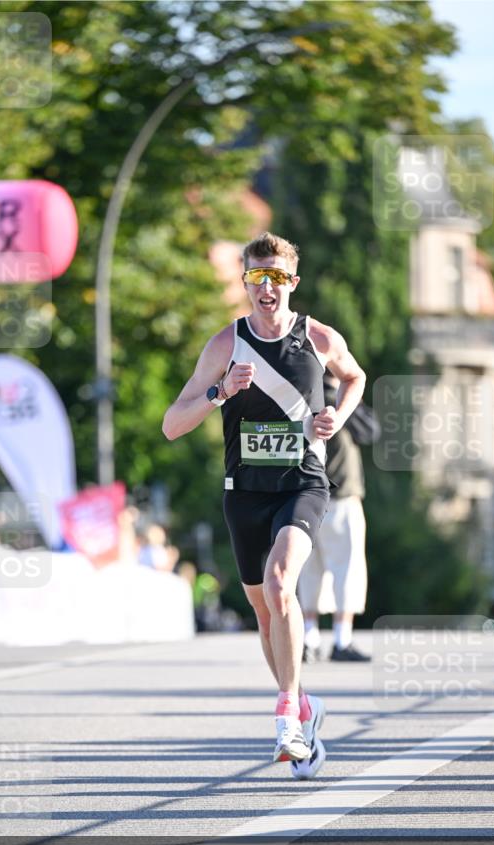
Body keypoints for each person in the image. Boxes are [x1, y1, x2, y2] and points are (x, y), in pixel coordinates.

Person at [163, 232, 366, 779]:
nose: (267, 287)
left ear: (292, 283)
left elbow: (355, 376)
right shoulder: (225, 346)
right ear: (246, 281)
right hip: (244, 495)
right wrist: (220, 392)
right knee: (262, 607)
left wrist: (337, 418)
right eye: (258, 277)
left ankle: (287, 722)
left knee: (281, 585)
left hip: (303, 484)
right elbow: (171, 425)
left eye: (277, 277)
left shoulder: (318, 338)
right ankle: (301, 702)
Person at [299, 374, 372, 664]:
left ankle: (309, 637)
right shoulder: (341, 402)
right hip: (341, 497)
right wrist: (352, 399)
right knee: (347, 570)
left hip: (306, 496)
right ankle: (342, 638)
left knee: (309, 571)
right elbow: (370, 431)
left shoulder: (302, 399)